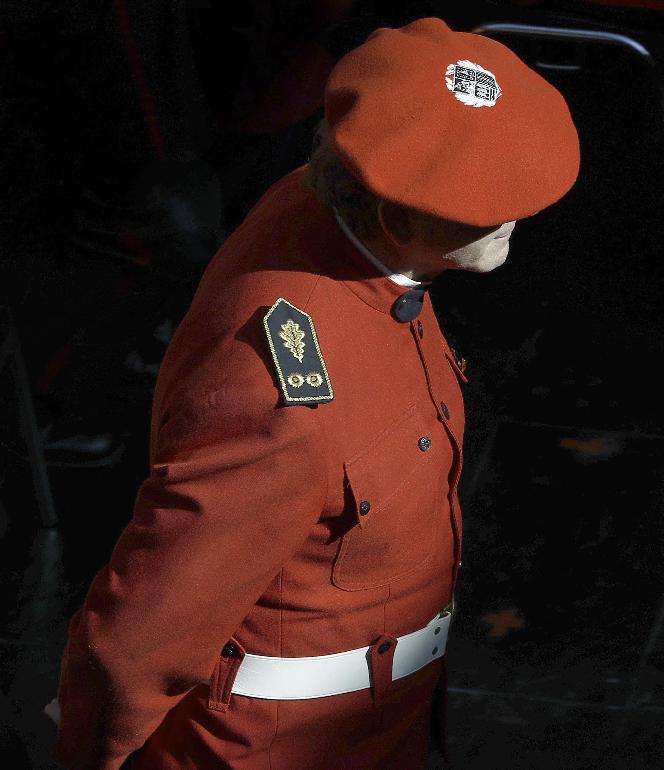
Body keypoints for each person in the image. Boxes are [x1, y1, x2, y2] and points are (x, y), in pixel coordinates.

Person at [47, 16, 580, 769]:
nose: (518, 214)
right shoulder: (278, 390)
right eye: (491, 201)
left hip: (381, 722)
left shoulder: (334, 212)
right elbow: (137, 641)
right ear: (397, 216)